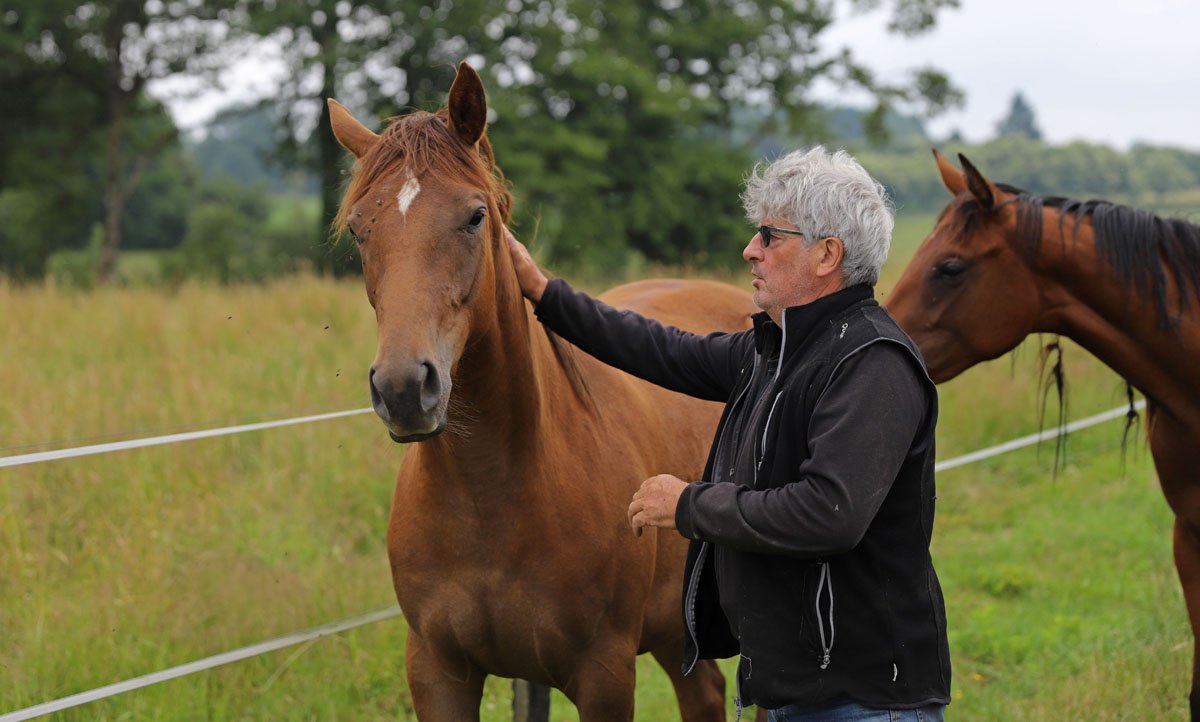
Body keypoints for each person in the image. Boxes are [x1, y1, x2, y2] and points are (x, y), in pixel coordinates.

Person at [506, 146, 950, 722]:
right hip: (801, 692)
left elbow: (828, 514)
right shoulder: (779, 351)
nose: (750, 250)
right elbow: (660, 349)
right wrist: (544, 294)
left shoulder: (873, 364)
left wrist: (689, 504)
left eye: (770, 236)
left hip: (864, 702)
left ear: (827, 254)